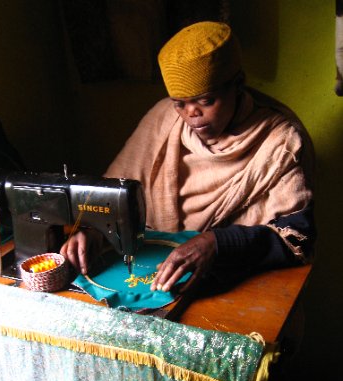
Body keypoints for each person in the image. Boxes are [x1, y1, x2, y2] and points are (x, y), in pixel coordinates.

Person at [60, 21, 315, 293]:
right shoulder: (164, 119)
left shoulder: (281, 141)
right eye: (180, 103)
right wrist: (95, 230)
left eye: (205, 101)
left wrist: (217, 243)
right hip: (157, 276)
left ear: (238, 85)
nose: (192, 114)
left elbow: (296, 239)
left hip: (243, 286)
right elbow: (113, 196)